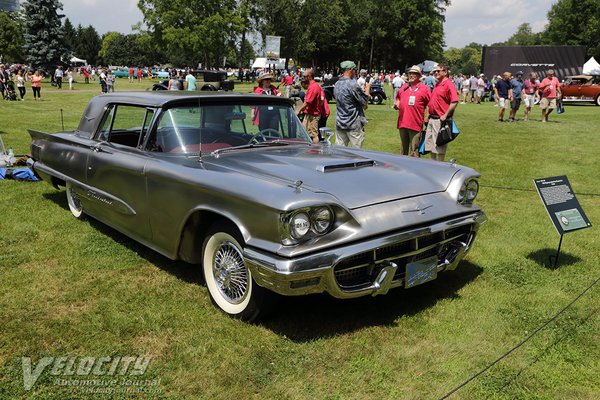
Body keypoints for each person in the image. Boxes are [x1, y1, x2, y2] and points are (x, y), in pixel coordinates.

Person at [423, 63, 458, 162]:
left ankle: (440, 168)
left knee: (439, 148)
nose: (436, 73)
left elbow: (454, 101)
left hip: (440, 120)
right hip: (432, 119)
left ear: (445, 72)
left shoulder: (449, 84)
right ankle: (433, 165)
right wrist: (427, 116)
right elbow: (432, 102)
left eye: (438, 71)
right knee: (430, 146)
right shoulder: (437, 83)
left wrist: (445, 115)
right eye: (435, 71)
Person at [395, 65, 430, 157]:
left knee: (414, 151)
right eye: (410, 73)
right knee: (403, 149)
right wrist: (397, 103)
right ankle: (402, 169)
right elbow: (398, 98)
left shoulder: (424, 88)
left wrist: (427, 117)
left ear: (419, 76)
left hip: (415, 123)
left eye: (414, 73)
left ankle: (414, 170)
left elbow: (429, 104)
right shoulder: (404, 86)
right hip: (402, 122)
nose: (411, 75)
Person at [333, 60, 369, 148]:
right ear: (350, 70)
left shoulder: (337, 84)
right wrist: (368, 87)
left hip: (340, 123)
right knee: (356, 154)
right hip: (353, 125)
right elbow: (364, 103)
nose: (355, 73)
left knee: (339, 153)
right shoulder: (353, 84)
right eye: (355, 70)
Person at [295, 68, 322, 143]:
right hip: (309, 114)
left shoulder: (314, 87)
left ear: (309, 77)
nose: (303, 78)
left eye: (304, 76)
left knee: (313, 134)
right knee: (303, 132)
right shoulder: (312, 86)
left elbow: (308, 102)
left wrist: (298, 110)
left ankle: (315, 150)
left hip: (313, 115)